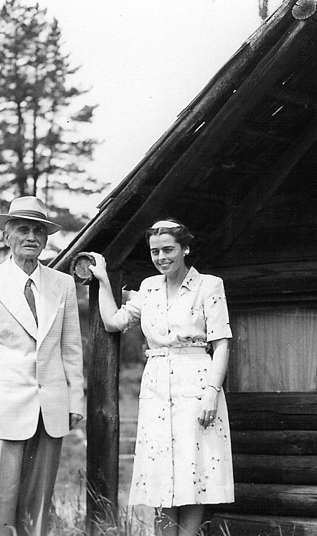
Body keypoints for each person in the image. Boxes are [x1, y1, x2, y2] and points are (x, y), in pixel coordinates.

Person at [88, 219, 234, 536]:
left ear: (185, 249)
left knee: (194, 467)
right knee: (161, 469)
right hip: (156, 385)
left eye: (168, 249)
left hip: (196, 381)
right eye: (155, 251)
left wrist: (211, 391)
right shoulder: (149, 288)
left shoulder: (209, 285)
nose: (161, 257)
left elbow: (221, 344)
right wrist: (102, 281)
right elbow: (114, 322)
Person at [0, 196, 85, 536]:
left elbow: (71, 349)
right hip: (0, 411)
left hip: (50, 409)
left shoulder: (63, 285)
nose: (31, 237)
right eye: (23, 229)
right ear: (6, 236)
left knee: (38, 512)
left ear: (46, 239)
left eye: (38, 231)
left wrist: (75, 401)